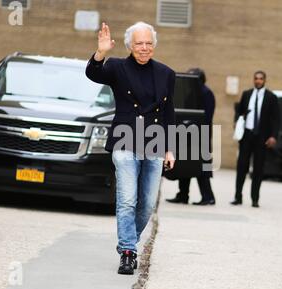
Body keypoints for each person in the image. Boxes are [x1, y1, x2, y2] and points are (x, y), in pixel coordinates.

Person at [85, 22, 176, 275]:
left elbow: (169, 113)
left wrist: (170, 148)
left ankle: (128, 242)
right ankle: (127, 252)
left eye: (148, 43)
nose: (144, 48)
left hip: (155, 143)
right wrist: (100, 52)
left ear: (154, 45)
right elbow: (93, 73)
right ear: (129, 45)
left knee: (146, 204)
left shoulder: (167, 73)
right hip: (125, 142)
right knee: (127, 200)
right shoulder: (116, 67)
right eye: (139, 43)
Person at [166, 68, 216, 205]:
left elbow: (206, 117)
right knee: (184, 164)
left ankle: (208, 197)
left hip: (201, 136)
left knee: (202, 167)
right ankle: (183, 195)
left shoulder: (206, 93)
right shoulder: (191, 93)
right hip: (185, 134)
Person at [231, 71, 280, 208]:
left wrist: (273, 136)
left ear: (265, 80)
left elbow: (276, 119)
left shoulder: (271, 97)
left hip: (262, 138)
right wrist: (237, 122)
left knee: (258, 169)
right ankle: (237, 196)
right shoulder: (247, 94)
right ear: (253, 80)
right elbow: (239, 111)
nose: (258, 81)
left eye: (260, 79)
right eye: (256, 79)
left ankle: (255, 199)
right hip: (247, 136)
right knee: (241, 166)